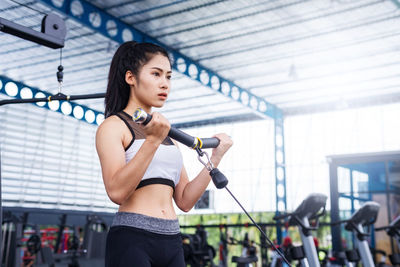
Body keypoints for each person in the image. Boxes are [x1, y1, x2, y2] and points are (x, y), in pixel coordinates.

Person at [95, 41, 233, 267]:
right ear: (131, 78)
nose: (164, 84)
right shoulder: (113, 126)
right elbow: (116, 191)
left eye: (168, 76)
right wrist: (152, 140)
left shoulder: (167, 136)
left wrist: (215, 159)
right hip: (132, 237)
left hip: (171, 239)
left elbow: (185, 200)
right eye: (156, 74)